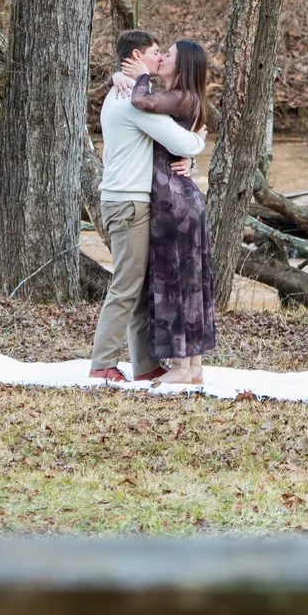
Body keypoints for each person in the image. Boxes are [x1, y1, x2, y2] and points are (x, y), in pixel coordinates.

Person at [90, 30, 205, 380]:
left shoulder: (122, 91)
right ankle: (103, 364)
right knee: (126, 285)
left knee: (137, 286)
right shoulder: (131, 99)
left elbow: (162, 150)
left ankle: (144, 365)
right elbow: (178, 138)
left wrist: (190, 162)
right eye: (156, 52)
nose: (160, 58)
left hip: (126, 200)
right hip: (128, 202)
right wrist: (198, 143)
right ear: (137, 56)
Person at [131, 39, 216, 385]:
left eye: (169, 55)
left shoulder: (180, 97)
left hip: (173, 205)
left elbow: (140, 101)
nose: (162, 57)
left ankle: (181, 368)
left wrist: (138, 76)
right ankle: (193, 366)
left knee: (175, 283)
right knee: (190, 283)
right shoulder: (186, 100)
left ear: (182, 67)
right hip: (184, 200)